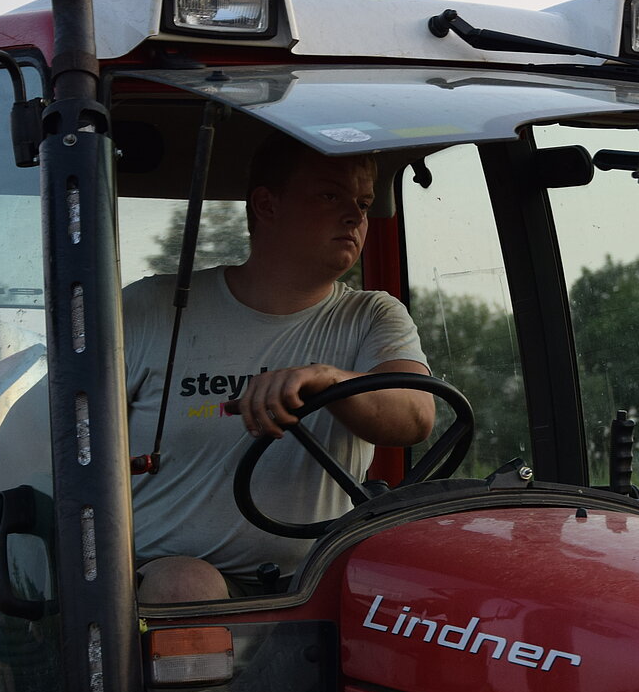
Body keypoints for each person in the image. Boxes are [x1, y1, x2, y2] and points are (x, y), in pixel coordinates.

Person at [124, 133, 434, 602]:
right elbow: (71, 440)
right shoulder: (152, 308)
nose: (355, 217)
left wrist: (329, 381)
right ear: (267, 205)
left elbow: (416, 415)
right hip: (165, 579)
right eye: (330, 196)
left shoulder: (372, 315)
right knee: (187, 585)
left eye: (364, 203)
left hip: (316, 583)